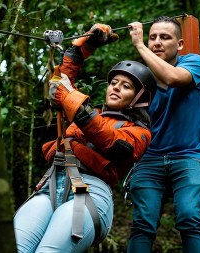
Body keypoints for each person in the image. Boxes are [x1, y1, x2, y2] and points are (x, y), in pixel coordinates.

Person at [13, 24, 157, 253]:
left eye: (126, 86)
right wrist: (82, 48)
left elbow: (111, 142)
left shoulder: (139, 132)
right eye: (113, 83)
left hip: (89, 193)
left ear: (139, 98)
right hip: (51, 185)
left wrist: (72, 101)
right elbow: (62, 82)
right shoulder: (91, 113)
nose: (115, 88)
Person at [126, 16, 200, 253]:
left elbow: (173, 78)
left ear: (180, 44)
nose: (157, 42)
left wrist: (139, 45)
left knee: (190, 217)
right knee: (142, 224)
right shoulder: (140, 78)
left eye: (165, 37)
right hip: (149, 158)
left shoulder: (193, 62)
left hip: (189, 156)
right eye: (152, 38)